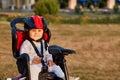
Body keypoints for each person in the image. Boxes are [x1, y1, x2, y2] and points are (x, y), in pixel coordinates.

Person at [20, 16, 64, 80]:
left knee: (57, 67)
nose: (36, 33)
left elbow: (47, 53)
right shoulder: (27, 43)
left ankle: (64, 77)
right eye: (33, 30)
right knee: (33, 71)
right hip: (33, 65)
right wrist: (32, 59)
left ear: (43, 31)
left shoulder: (44, 43)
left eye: (39, 31)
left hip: (45, 64)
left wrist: (49, 60)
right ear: (28, 31)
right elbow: (23, 55)